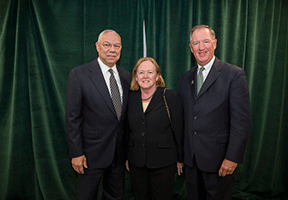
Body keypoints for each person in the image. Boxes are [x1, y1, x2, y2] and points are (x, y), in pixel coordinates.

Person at [178, 25, 251, 199]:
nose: (201, 47)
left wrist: (232, 158)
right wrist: (181, 156)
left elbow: (241, 122)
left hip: (219, 161)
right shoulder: (185, 78)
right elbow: (183, 119)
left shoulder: (234, 75)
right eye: (196, 43)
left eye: (205, 42)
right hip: (191, 161)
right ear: (191, 47)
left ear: (215, 44)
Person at [65, 29, 131, 200]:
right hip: (90, 155)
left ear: (121, 48)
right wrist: (76, 153)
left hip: (118, 155)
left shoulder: (126, 76)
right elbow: (73, 118)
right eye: (107, 45)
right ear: (97, 46)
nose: (112, 50)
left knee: (115, 196)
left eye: (117, 46)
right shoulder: (79, 75)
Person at [125, 57, 184, 200]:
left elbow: (179, 130)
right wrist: (126, 157)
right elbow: (126, 130)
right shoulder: (129, 98)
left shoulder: (170, 96)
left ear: (157, 76)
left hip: (164, 163)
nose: (145, 76)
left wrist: (180, 159)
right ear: (135, 77)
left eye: (150, 72)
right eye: (141, 72)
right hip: (136, 162)